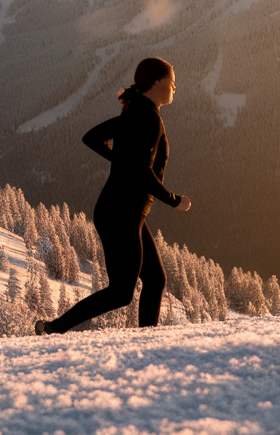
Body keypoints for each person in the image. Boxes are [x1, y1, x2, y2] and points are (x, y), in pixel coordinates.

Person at [36, 57, 191, 334]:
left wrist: (118, 160)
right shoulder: (148, 118)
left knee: (154, 280)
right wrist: (173, 200)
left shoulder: (134, 112)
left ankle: (147, 342)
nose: (175, 88)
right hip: (121, 213)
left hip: (124, 211)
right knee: (121, 292)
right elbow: (142, 171)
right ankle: (52, 328)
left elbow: (91, 137)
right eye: (172, 82)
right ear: (156, 83)